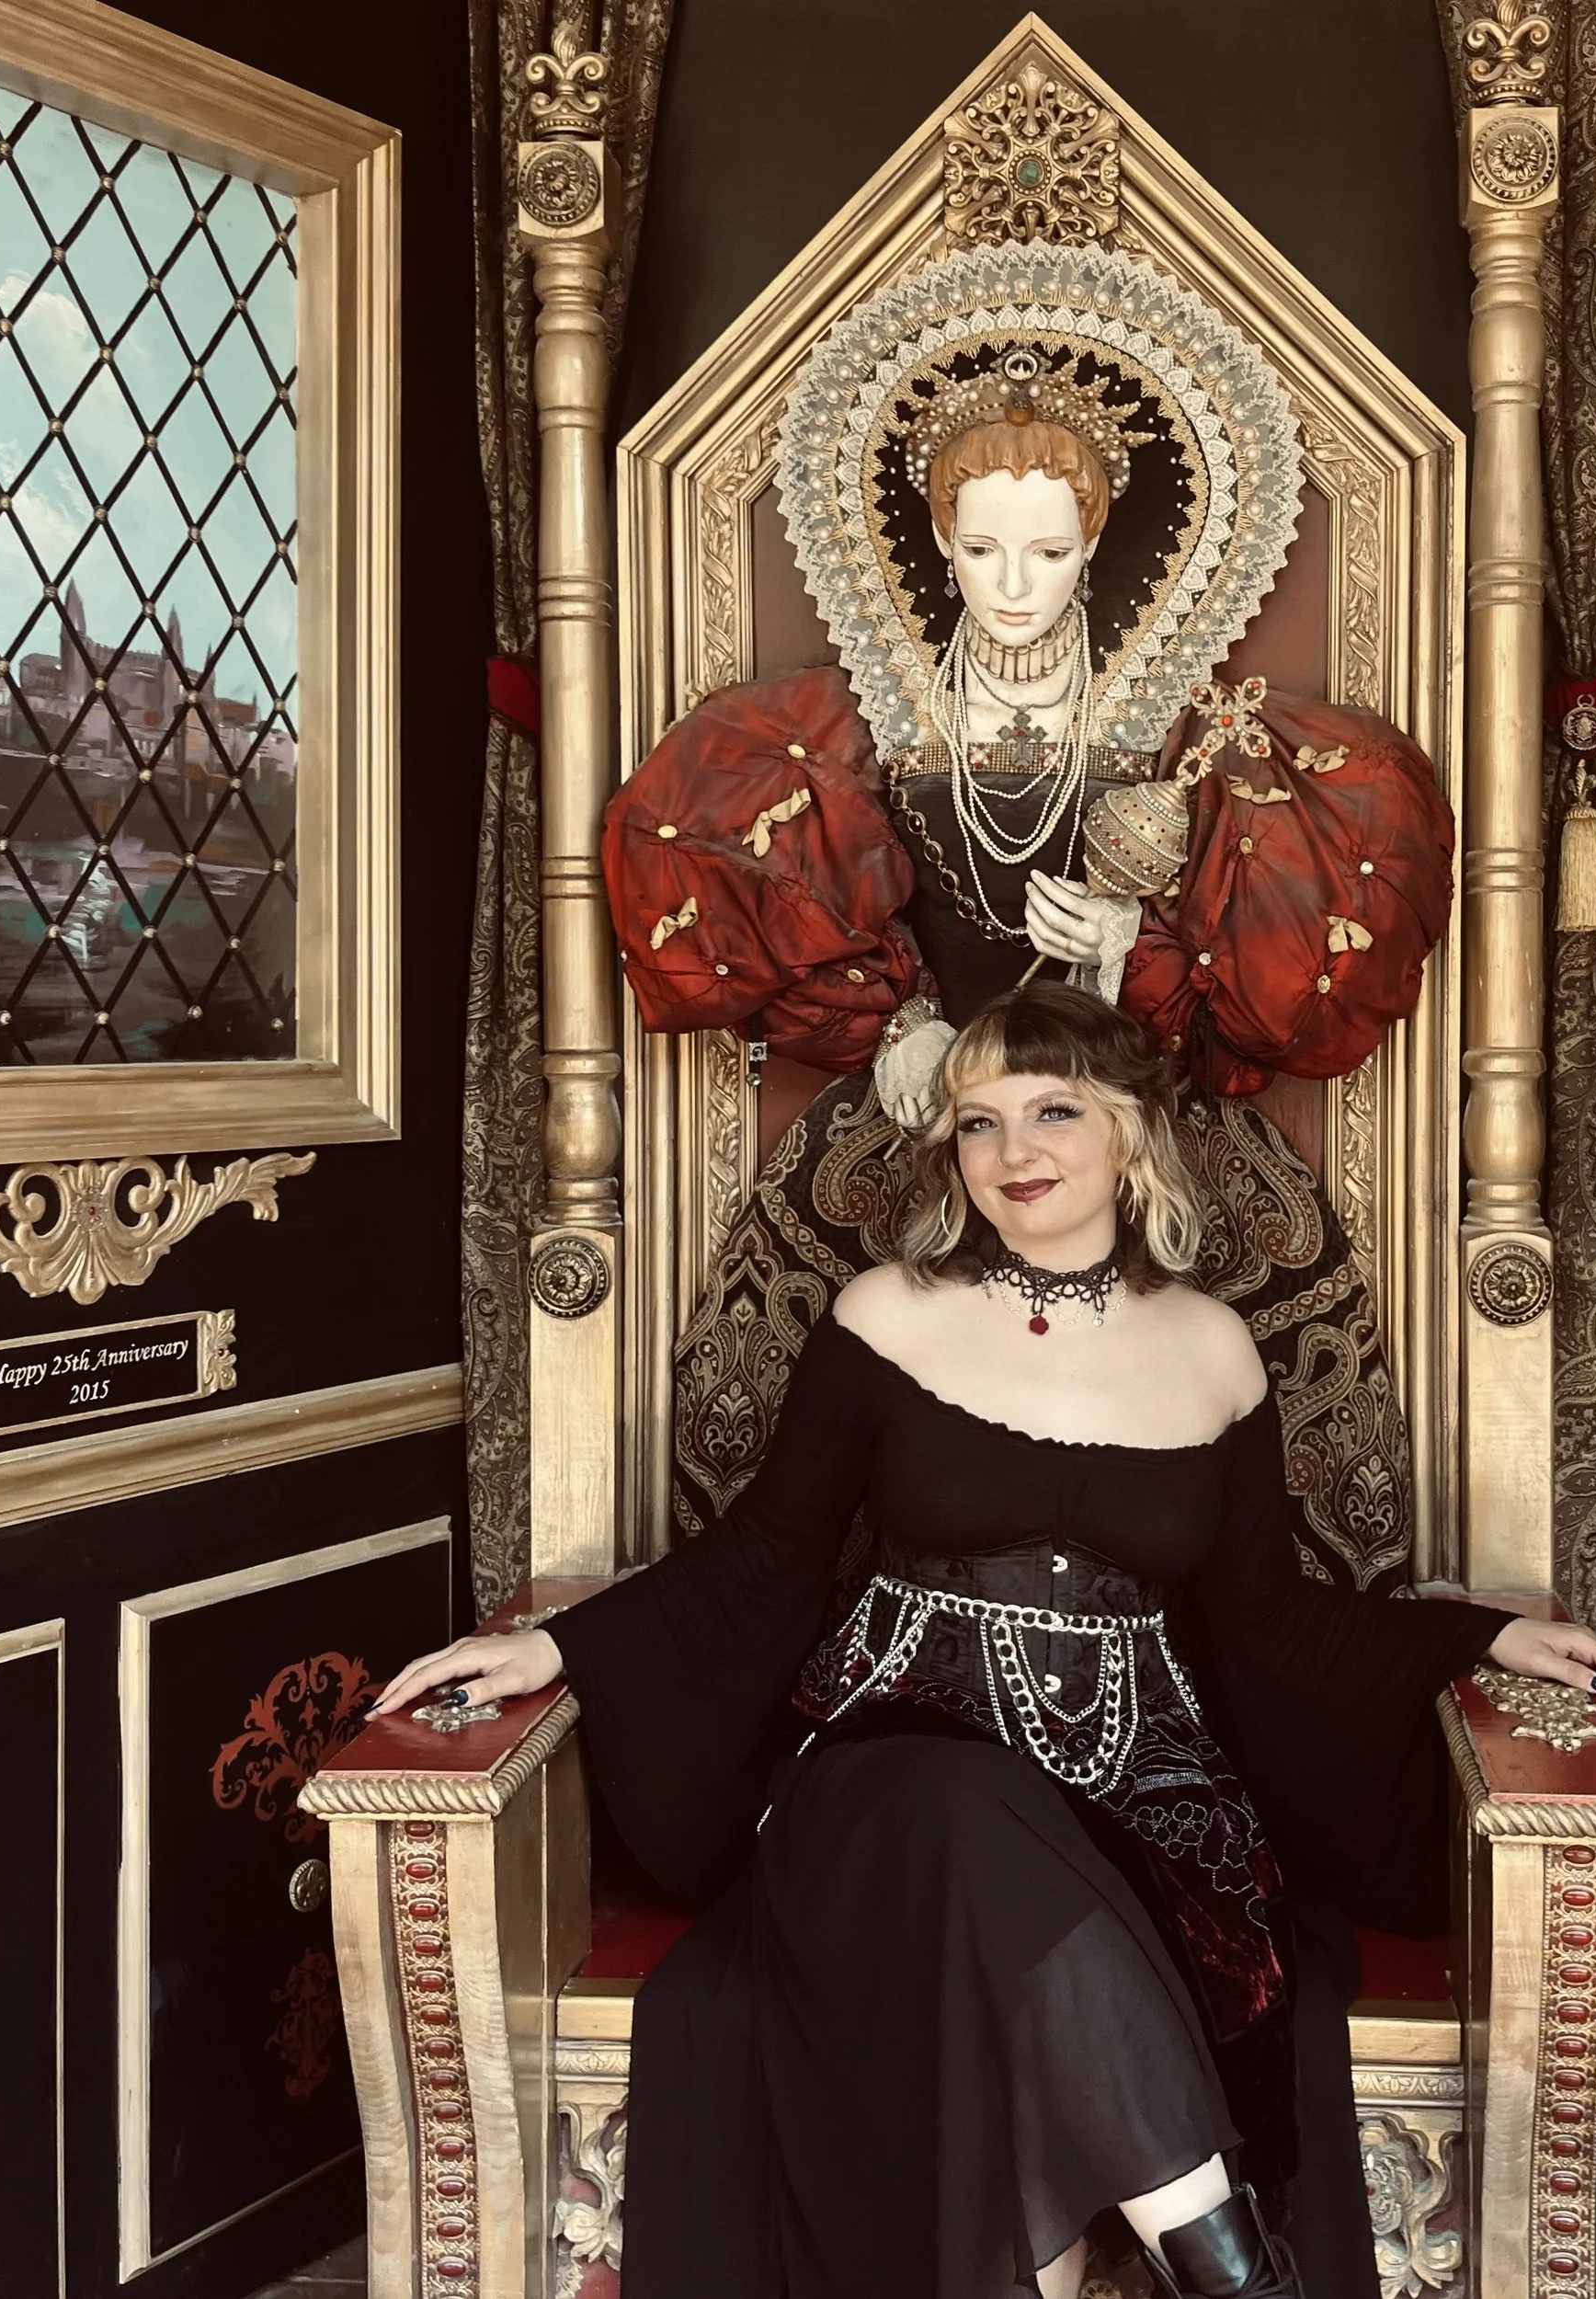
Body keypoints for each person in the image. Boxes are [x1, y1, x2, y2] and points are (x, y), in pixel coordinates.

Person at [377, 983, 1596, 2299]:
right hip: (886, 1764)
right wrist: (559, 1651)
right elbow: (766, 1558)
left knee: (1035, 1953)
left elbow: (1268, 1616)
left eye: (1052, 1113)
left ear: (1133, 1134)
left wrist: (1484, 1639)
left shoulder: (1215, 1349)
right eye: (978, 1124)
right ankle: (1230, 2266)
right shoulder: (886, 1313)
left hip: (1134, 1795)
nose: (1014, 1153)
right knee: (961, 1808)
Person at [610, 241, 1453, 1591]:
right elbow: (741, 874)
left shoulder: (1184, 734)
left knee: (1262, 1379)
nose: (1014, 583)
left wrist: (1134, 953)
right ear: (938, 538)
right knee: (794, 1403)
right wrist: (898, 1023)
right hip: (933, 1092)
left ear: (1095, 546)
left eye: (1050, 550)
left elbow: (1286, 953)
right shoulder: (855, 726)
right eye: (984, 546)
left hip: (1123, 1094)